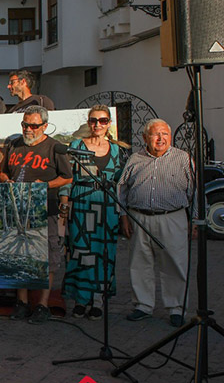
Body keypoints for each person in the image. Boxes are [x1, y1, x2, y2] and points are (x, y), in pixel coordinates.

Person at [0, 105, 72, 325]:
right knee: (21, 254)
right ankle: (22, 301)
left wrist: (46, 185)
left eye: (33, 126)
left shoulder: (55, 148)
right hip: (18, 209)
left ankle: (43, 304)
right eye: (25, 124)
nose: (28, 129)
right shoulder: (15, 145)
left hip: (45, 207)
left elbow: (67, 178)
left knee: (47, 255)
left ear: (45, 126)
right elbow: (3, 171)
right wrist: (5, 180)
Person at [118, 119, 194, 328]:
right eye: (155, 134)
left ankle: (176, 308)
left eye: (165, 134)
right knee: (139, 263)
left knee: (174, 263)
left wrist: (195, 220)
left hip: (172, 217)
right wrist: (123, 216)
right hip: (139, 218)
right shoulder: (135, 158)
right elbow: (122, 188)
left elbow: (195, 191)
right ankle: (143, 305)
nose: (161, 138)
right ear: (145, 138)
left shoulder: (183, 159)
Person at [63, 105, 129, 320]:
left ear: (109, 123)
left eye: (102, 121)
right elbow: (67, 176)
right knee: (81, 251)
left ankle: (99, 298)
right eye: (93, 120)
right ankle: (82, 299)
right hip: (82, 202)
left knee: (104, 252)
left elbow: (122, 181)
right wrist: (65, 201)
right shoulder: (76, 145)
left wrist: (123, 212)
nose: (97, 125)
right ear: (89, 122)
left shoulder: (118, 150)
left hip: (107, 205)